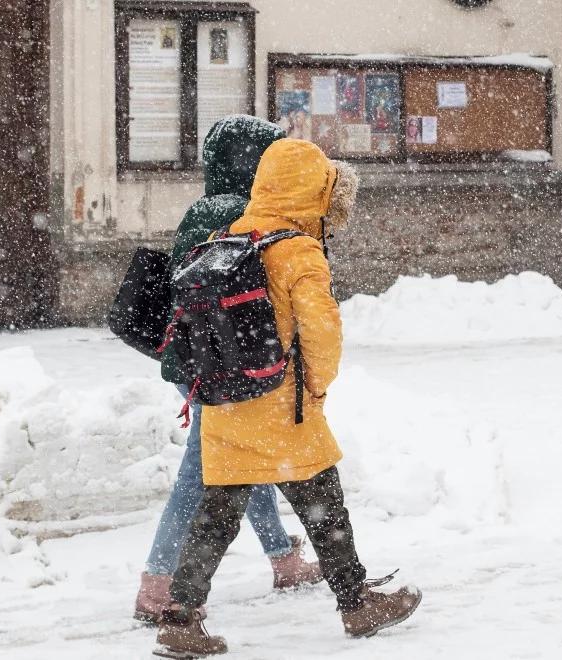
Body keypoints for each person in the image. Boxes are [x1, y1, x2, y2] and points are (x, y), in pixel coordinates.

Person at [153, 138, 422, 658]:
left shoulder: (227, 236)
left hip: (229, 397)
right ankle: (357, 604)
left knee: (216, 514)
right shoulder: (298, 248)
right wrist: (317, 387)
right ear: (312, 191)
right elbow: (322, 332)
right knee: (324, 505)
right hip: (284, 404)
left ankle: (180, 618)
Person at [134, 116, 322, 625]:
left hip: (194, 358)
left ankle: (283, 560)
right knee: (201, 473)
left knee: (241, 457)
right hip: (221, 363)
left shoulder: (204, 209)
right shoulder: (243, 213)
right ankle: (157, 584)